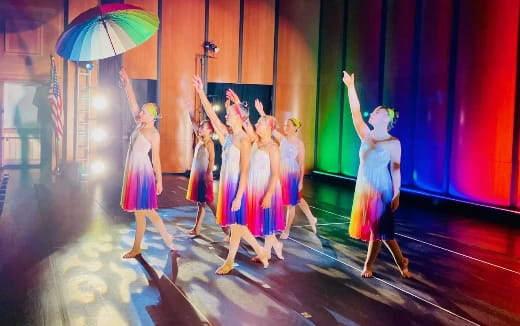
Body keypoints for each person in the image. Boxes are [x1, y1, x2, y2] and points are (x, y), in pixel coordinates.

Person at [193, 76, 268, 274]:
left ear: (238, 117)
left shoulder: (244, 140)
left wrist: (239, 195)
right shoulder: (227, 135)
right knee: (238, 225)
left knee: (236, 225)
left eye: (230, 114)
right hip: (227, 185)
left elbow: (245, 170)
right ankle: (261, 251)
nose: (226, 116)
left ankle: (230, 260)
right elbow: (211, 114)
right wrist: (201, 92)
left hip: (237, 186)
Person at [342, 71, 410, 278]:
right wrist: (350, 87)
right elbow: (355, 112)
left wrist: (396, 193)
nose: (372, 112)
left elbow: (395, 170)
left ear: (385, 119)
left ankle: (372, 265)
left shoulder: (393, 143)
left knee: (380, 231)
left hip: (383, 190)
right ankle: (401, 261)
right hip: (365, 189)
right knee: (381, 231)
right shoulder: (366, 134)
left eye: (378, 112)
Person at [119, 68, 175, 258]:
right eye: (141, 111)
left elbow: (156, 159)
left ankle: (166, 238)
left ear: (152, 116)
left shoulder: (153, 134)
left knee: (147, 211)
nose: (140, 112)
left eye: (144, 111)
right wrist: (127, 82)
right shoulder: (140, 124)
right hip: (133, 172)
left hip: (143, 175)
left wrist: (160, 181)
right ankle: (137, 247)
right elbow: (132, 102)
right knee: (140, 213)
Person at [252, 99, 317, 240]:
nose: (285, 127)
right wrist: (261, 111)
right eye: (285, 125)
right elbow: (271, 127)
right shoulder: (282, 139)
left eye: (288, 125)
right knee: (282, 200)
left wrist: (300, 181)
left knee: (291, 203)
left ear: (295, 128)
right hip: (280, 172)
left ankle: (286, 230)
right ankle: (276, 225)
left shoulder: (300, 144)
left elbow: (301, 164)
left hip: (292, 174)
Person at [183, 104, 216, 236]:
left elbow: (212, 160)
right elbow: (194, 125)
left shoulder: (209, 143)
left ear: (210, 131)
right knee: (201, 204)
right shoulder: (201, 139)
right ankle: (197, 229)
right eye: (201, 126)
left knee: (209, 203)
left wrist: (208, 175)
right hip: (198, 176)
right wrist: (190, 114)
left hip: (204, 177)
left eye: (203, 127)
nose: (200, 128)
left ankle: (226, 228)